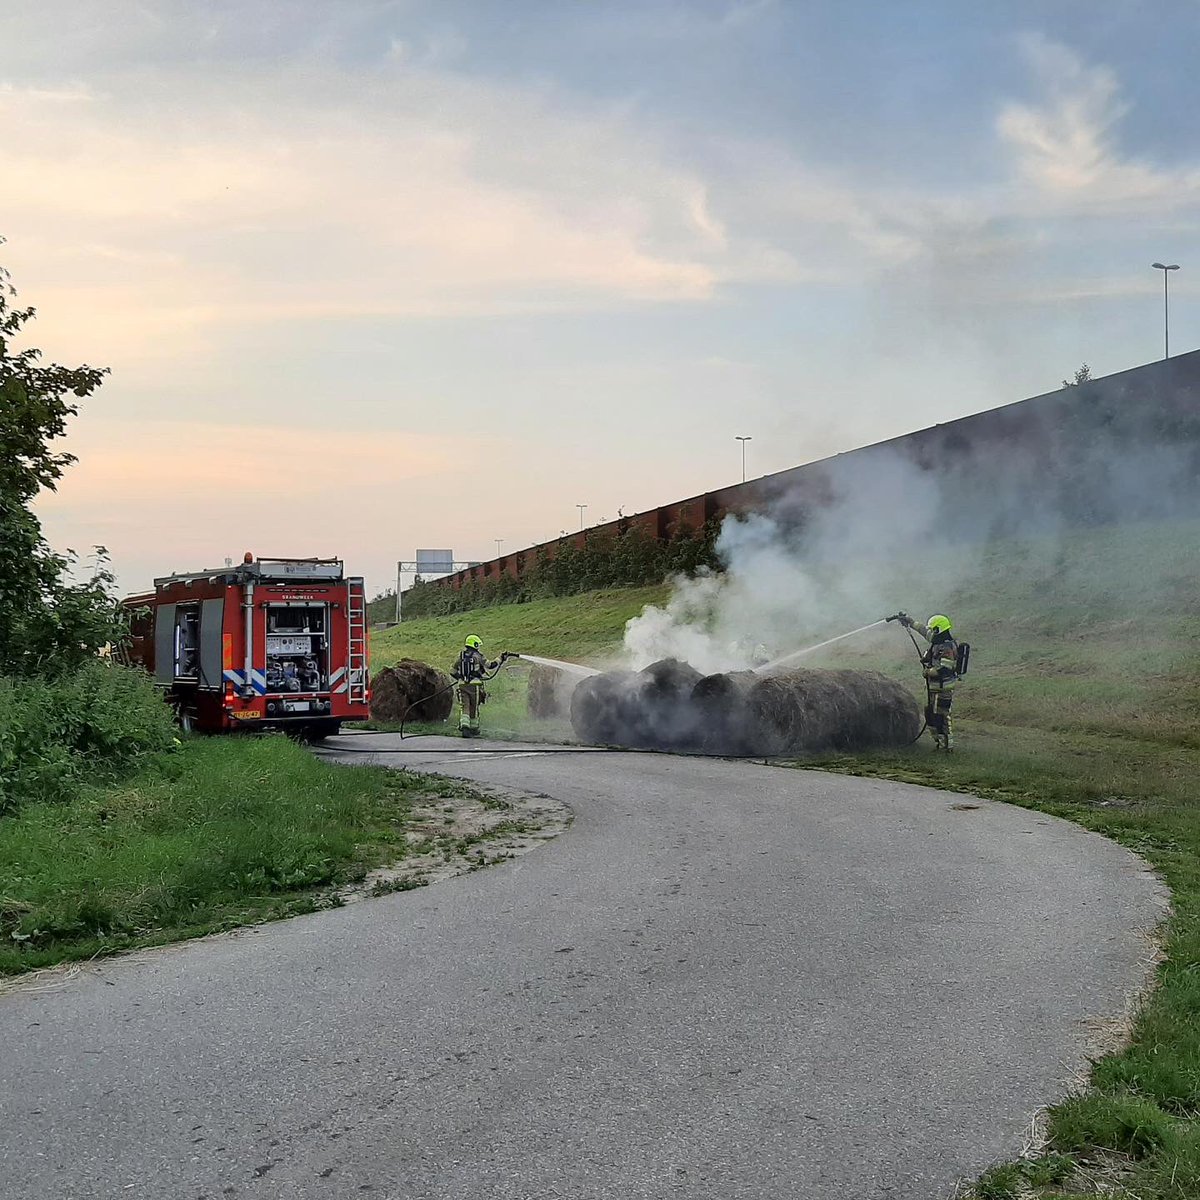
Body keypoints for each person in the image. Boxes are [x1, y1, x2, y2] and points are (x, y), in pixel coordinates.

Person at [899, 613, 960, 751]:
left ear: (939, 629)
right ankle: (938, 743)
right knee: (930, 715)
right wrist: (910, 622)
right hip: (933, 687)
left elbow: (945, 669)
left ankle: (946, 747)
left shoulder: (947, 647)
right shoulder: (937, 641)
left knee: (941, 716)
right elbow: (923, 630)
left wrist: (928, 672)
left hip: (943, 688)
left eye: (933, 629)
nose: (931, 632)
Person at [450, 635, 496, 738]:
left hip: (462, 685)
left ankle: (464, 727)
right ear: (474, 644)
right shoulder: (478, 656)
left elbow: (452, 671)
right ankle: (474, 728)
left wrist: (461, 678)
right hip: (475, 685)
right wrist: (501, 658)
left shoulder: (460, 656)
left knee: (465, 706)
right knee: (474, 706)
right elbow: (491, 665)